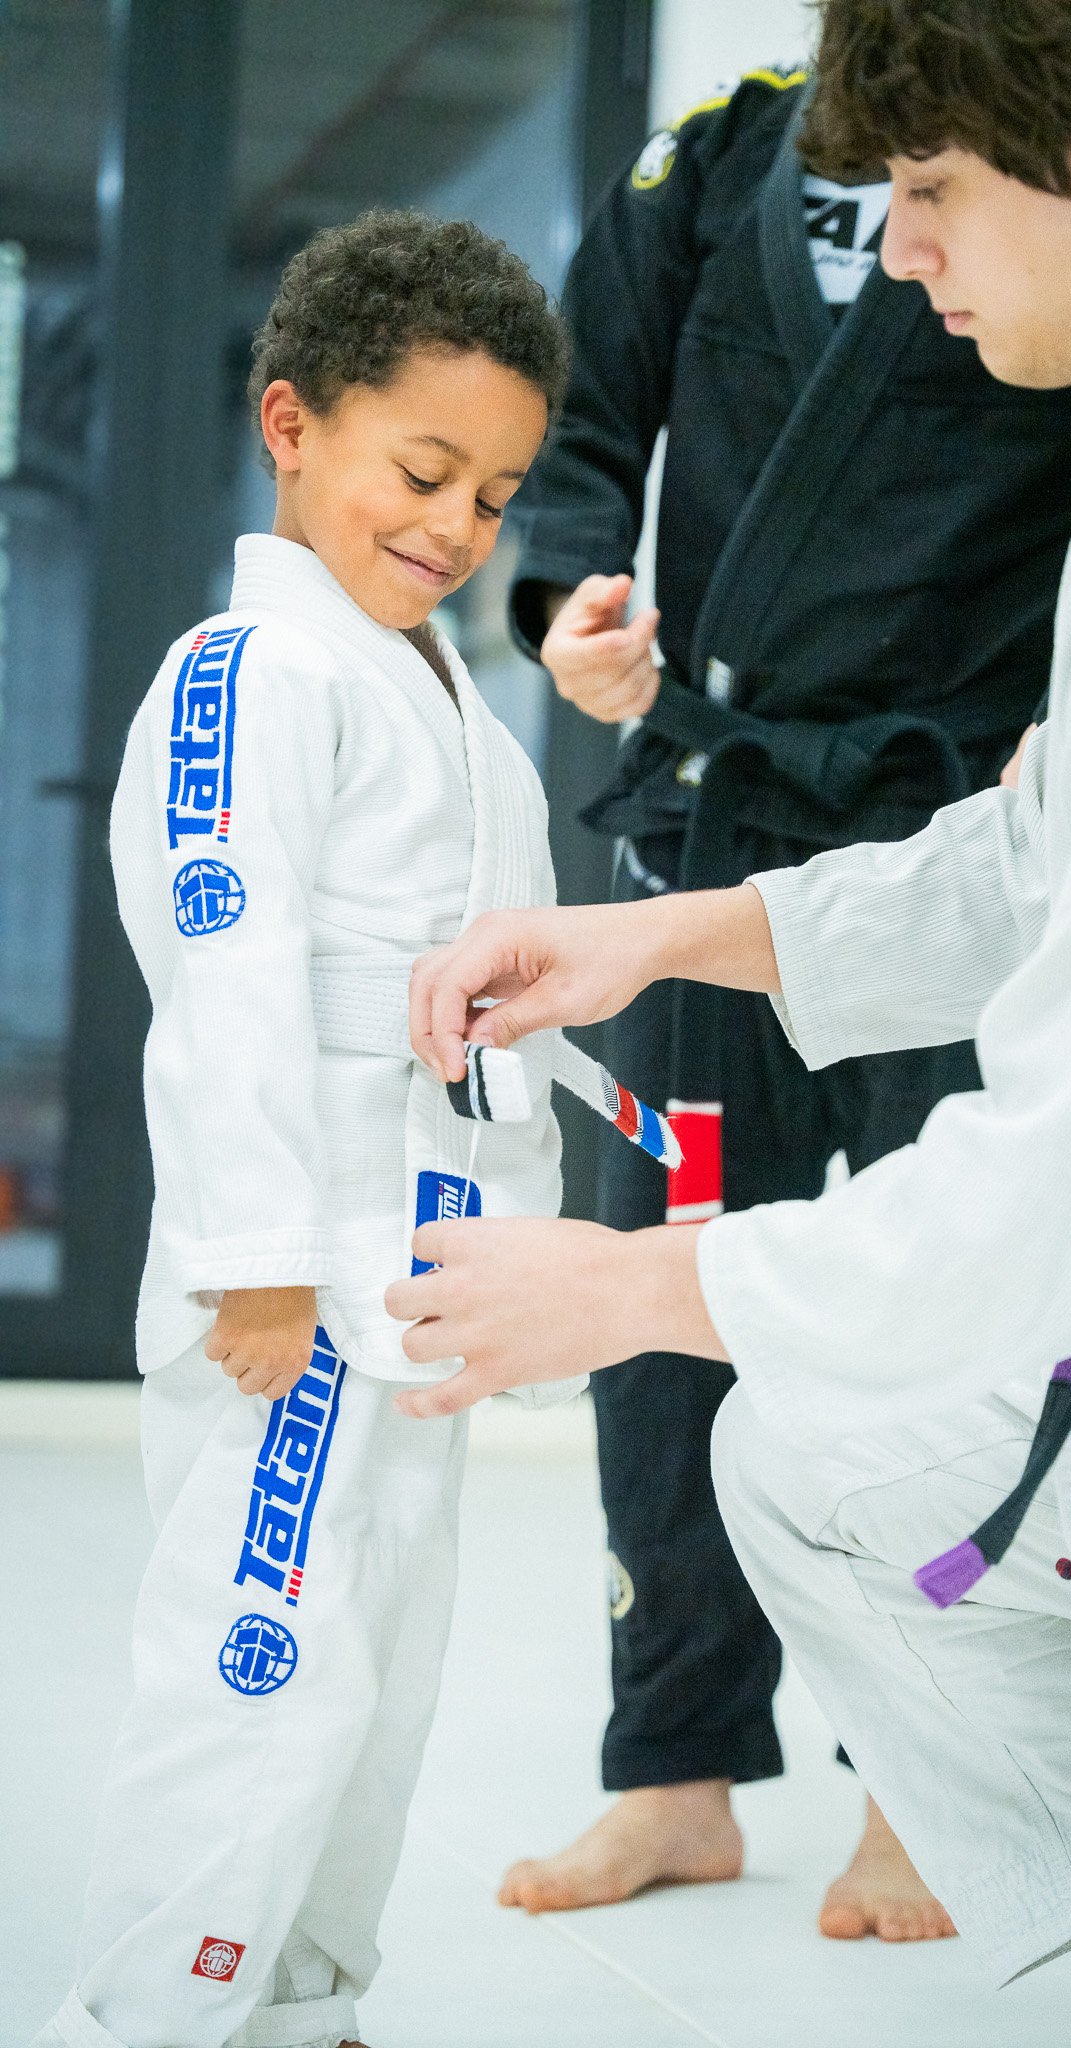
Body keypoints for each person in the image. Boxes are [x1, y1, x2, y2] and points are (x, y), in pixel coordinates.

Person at [391, 1, 1071, 2039]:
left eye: (930, 194)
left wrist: (626, 1277)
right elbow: (1043, 862)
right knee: (813, 1457)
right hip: (818, 867)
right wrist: (675, 937)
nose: (899, 250)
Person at [499, 53, 1071, 1935]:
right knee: (650, 1283)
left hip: (956, 803)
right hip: (717, 800)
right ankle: (668, 1770)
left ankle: (911, 1793)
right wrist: (568, 599)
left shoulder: (1056, 131)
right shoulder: (732, 146)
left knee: (939, 1312)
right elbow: (587, 396)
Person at [34, 212, 576, 2048]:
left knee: (383, 1660)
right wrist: (251, 1257)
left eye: (494, 496)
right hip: (307, 1250)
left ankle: (301, 2002)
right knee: (260, 1653)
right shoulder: (247, 676)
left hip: (417, 1243)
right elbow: (225, 972)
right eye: (420, 470)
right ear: (292, 423)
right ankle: (170, 2014)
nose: (453, 528)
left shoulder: (447, 702)